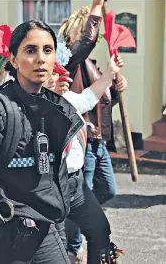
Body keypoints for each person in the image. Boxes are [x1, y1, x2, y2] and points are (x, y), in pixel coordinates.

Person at [0, 20, 86, 264]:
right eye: (30, 50)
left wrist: (59, 223)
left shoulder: (57, 109)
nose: (41, 59)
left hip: (48, 231)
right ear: (13, 59)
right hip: (6, 237)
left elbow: (54, 175)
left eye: (47, 50)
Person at [58, 0, 128, 262]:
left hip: (99, 142)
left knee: (107, 191)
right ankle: (74, 248)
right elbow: (87, 39)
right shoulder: (69, 60)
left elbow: (103, 101)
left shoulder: (93, 64)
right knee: (80, 199)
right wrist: (97, 6)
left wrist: (116, 83)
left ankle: (69, 217)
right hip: (81, 142)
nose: (94, 40)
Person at [46, 54, 125, 264]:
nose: (58, 77)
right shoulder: (31, 105)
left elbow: (90, 96)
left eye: (58, 72)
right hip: (48, 186)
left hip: (75, 183)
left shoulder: (69, 99)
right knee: (56, 249)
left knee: (99, 230)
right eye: (50, 74)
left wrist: (109, 73)